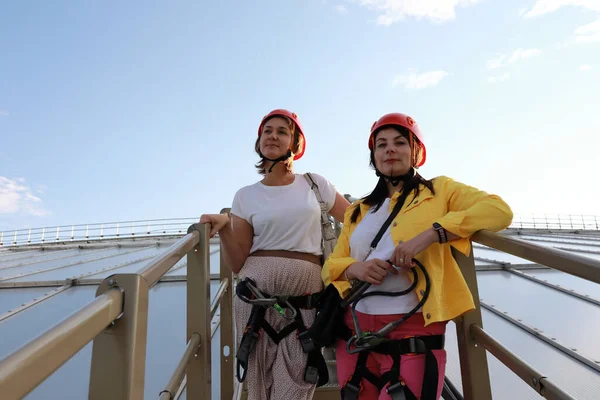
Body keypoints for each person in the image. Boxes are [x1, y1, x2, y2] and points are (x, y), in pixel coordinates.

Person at [322, 112, 513, 400]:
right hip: (355, 331)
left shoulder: (441, 191)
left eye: (400, 142)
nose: (390, 149)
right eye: (381, 144)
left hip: (413, 332)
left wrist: (431, 235)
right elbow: (332, 267)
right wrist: (356, 269)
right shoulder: (357, 210)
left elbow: (499, 211)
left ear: (416, 152)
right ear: (373, 156)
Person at [200, 109, 350, 400]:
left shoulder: (315, 184)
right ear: (259, 142)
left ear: (295, 144)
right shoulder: (245, 195)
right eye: (267, 131)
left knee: (296, 381)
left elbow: (358, 220)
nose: (272, 135)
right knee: (258, 384)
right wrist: (225, 229)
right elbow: (238, 261)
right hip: (256, 297)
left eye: (282, 131)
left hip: (303, 298)